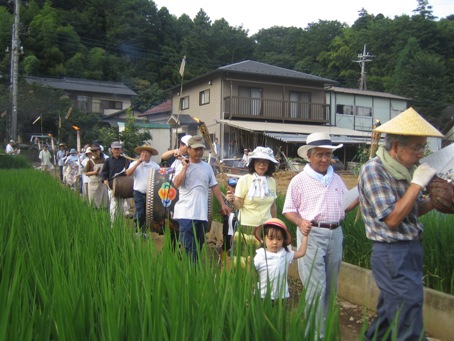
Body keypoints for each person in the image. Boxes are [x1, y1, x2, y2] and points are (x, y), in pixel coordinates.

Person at [358, 108, 441, 341]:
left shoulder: (406, 171)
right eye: (417, 148)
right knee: (408, 313)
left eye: (423, 147)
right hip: (391, 252)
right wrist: (416, 185)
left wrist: (436, 200)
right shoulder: (374, 170)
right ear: (395, 146)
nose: (420, 153)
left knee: (390, 312)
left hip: (410, 249)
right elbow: (392, 219)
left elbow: (412, 212)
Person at [282, 132, 358, 339]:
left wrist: (361, 192)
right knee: (316, 287)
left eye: (328, 155)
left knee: (330, 287)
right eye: (320, 155)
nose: (325, 159)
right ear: (309, 155)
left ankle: (321, 331)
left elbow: (346, 205)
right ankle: (316, 335)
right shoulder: (299, 181)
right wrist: (300, 222)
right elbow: (288, 209)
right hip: (311, 234)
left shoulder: (336, 179)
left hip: (336, 233)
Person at [173, 136, 230, 261]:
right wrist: (184, 168)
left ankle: (191, 270)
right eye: (195, 149)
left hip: (201, 214)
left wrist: (222, 204)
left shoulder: (207, 167)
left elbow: (214, 186)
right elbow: (176, 184)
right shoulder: (181, 165)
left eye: (201, 149)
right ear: (188, 149)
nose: (199, 152)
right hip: (186, 213)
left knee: (199, 245)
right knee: (189, 247)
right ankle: (190, 273)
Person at [253, 218, 309, 301]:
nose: (275, 242)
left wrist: (305, 236)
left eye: (279, 239)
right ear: (263, 239)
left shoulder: (285, 254)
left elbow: (301, 252)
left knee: (278, 313)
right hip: (262, 295)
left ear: (284, 240)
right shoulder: (260, 255)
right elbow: (252, 270)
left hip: (280, 296)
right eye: (271, 238)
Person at [126, 143, 160, 237]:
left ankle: (144, 231)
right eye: (143, 152)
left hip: (151, 193)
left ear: (150, 154)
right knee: (140, 212)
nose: (144, 154)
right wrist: (138, 162)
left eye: (147, 153)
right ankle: (138, 231)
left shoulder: (155, 166)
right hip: (138, 192)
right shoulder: (134, 164)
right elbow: (128, 173)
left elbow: (160, 178)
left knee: (148, 213)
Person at [102, 141, 130, 224]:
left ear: (121, 150)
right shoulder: (108, 160)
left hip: (122, 186)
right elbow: (104, 172)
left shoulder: (125, 160)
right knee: (113, 204)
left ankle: (120, 223)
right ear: (111, 150)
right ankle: (113, 224)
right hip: (111, 185)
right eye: (115, 149)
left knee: (121, 205)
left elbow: (128, 172)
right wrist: (104, 180)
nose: (117, 151)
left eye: (118, 149)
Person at [85, 143, 109, 209]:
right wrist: (94, 172)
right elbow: (86, 173)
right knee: (94, 203)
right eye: (93, 151)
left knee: (104, 203)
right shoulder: (90, 161)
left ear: (100, 151)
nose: (94, 152)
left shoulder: (105, 161)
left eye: (96, 151)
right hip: (93, 183)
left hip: (102, 183)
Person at [222, 177, 238, 259]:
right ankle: (224, 260)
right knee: (227, 240)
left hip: (238, 221)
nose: (234, 188)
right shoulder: (227, 197)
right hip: (229, 221)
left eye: (236, 186)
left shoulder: (241, 197)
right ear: (228, 187)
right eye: (232, 186)